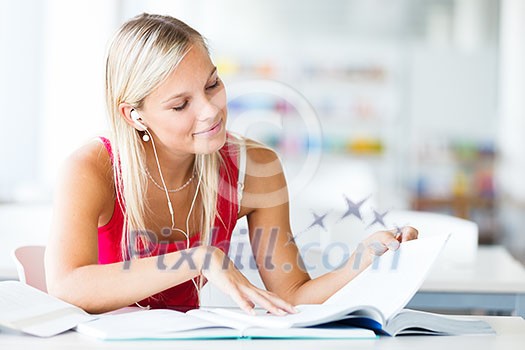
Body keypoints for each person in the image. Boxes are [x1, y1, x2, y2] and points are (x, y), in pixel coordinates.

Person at [45, 13, 418, 316]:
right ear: (134, 115)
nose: (211, 111)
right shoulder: (91, 169)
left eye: (212, 85)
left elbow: (292, 296)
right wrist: (196, 259)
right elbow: (66, 286)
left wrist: (359, 262)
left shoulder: (256, 167)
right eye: (180, 105)